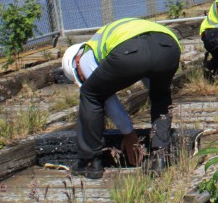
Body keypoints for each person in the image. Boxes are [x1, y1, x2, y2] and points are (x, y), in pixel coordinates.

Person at [63, 17, 181, 179]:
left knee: (90, 93)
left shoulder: (85, 56)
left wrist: (129, 133)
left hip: (131, 49)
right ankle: (159, 157)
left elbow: (108, 100)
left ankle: (90, 162)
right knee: (160, 95)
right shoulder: (109, 35)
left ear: (76, 61)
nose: (83, 79)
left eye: (79, 77)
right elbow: (149, 70)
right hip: (168, 45)